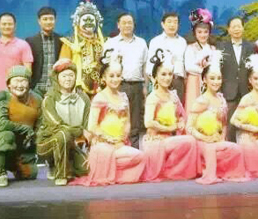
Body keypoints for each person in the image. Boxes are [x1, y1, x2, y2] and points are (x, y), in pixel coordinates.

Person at [72, 50, 146, 186]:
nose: (115, 79)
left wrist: (121, 139)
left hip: (119, 143)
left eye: (118, 76)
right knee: (107, 151)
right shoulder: (99, 98)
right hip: (103, 143)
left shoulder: (124, 97)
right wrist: (108, 139)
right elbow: (92, 126)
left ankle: (110, 169)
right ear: (103, 78)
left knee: (140, 157)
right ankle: (102, 165)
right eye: (111, 76)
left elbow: (127, 122)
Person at [187, 50, 250, 184]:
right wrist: (205, 138)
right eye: (212, 78)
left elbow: (224, 124)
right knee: (210, 150)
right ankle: (209, 174)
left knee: (236, 149)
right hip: (202, 142)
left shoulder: (221, 99)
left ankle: (229, 173)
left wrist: (221, 138)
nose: (216, 82)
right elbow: (189, 127)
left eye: (219, 78)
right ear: (204, 79)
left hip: (217, 140)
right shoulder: (201, 101)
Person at [141, 49, 198, 182]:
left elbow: (182, 116)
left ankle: (176, 172)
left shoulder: (173, 96)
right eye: (163, 74)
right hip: (156, 140)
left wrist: (181, 122)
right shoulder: (153, 97)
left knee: (191, 140)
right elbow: (148, 123)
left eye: (169, 74)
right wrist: (170, 128)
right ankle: (172, 172)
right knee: (189, 141)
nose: (167, 78)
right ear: (155, 77)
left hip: (170, 138)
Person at [36, 59, 90, 186]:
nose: (68, 79)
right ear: (57, 78)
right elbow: (57, 126)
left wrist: (86, 134)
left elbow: (87, 125)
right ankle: (59, 172)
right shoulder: (49, 98)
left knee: (87, 170)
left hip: (72, 143)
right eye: (64, 76)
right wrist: (80, 130)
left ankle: (68, 164)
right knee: (62, 135)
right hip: (49, 141)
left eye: (71, 75)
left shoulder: (84, 98)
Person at [0, 66, 41, 187]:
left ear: (29, 83)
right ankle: (0, 172)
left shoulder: (36, 98)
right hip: (4, 139)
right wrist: (24, 128)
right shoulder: (2, 97)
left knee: (31, 174)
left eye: (23, 81)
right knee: (6, 135)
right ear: (9, 84)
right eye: (16, 81)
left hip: (24, 144)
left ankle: (13, 165)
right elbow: (0, 123)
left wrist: (36, 138)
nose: (20, 85)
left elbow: (40, 123)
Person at [105, 12, 148, 148]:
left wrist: (145, 87)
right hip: (117, 86)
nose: (127, 25)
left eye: (130, 22)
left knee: (135, 122)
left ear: (134, 25)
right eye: (124, 23)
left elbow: (145, 66)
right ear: (118, 25)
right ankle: (117, 149)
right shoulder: (110, 43)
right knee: (117, 118)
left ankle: (134, 151)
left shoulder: (141, 43)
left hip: (136, 86)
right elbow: (105, 66)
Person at [216, 16, 256, 142]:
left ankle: (246, 150)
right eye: (233, 27)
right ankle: (231, 150)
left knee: (247, 124)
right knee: (230, 126)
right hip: (228, 92)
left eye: (239, 26)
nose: (237, 29)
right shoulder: (221, 47)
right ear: (229, 30)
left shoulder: (251, 47)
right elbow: (218, 69)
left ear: (243, 28)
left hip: (246, 91)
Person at [60, 0, 106, 96]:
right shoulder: (70, 43)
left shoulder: (104, 42)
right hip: (76, 90)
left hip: (102, 90)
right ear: (78, 22)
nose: (88, 23)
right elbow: (63, 68)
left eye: (91, 20)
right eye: (85, 20)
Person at [0, 12, 34, 95]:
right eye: (4, 24)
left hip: (16, 92)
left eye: (10, 24)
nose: (7, 26)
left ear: (15, 26)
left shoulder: (23, 45)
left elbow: (28, 71)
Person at [146, 12, 187, 103]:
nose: (172, 25)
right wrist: (155, 82)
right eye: (169, 22)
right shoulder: (155, 41)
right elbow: (150, 66)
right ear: (162, 24)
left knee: (177, 109)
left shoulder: (182, 42)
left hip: (178, 82)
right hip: (160, 82)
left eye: (175, 22)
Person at [26, 7, 62, 97]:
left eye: (51, 19)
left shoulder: (61, 40)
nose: (48, 22)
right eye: (45, 19)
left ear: (55, 20)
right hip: (35, 88)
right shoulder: (30, 41)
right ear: (39, 21)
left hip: (56, 87)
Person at [184, 8, 215, 114]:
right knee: (193, 108)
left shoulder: (213, 49)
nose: (203, 35)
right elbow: (188, 67)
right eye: (199, 32)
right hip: (194, 81)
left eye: (206, 32)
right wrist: (204, 71)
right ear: (195, 33)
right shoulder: (190, 48)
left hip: (209, 82)